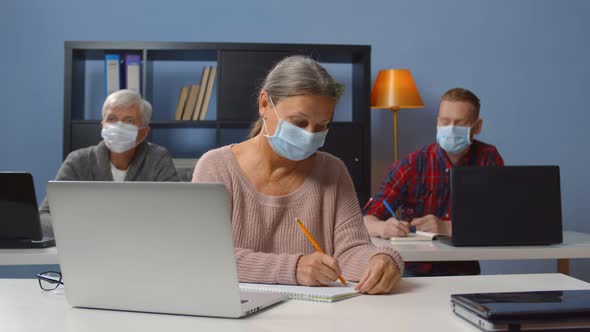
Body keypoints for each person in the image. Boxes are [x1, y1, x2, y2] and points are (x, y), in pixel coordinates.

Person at [192, 56, 403, 294]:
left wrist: (382, 259)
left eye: (321, 126)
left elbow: (350, 251)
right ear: (264, 104)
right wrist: (294, 268)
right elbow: (205, 256)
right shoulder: (216, 167)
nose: (310, 135)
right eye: (299, 122)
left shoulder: (333, 171)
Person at [363, 88, 504, 277]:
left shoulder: (487, 158)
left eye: (460, 123)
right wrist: (383, 227)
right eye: (445, 122)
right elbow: (365, 221)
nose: (451, 128)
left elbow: (501, 221)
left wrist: (446, 228)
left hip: (462, 270)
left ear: (477, 127)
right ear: (437, 122)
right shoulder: (411, 164)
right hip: (411, 270)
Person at [39, 89, 178, 236]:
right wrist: (90, 231)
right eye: (112, 119)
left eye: (129, 121)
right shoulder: (79, 161)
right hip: (90, 251)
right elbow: (44, 217)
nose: (118, 127)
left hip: (143, 251)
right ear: (102, 126)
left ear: (143, 133)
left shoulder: (157, 159)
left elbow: (176, 213)